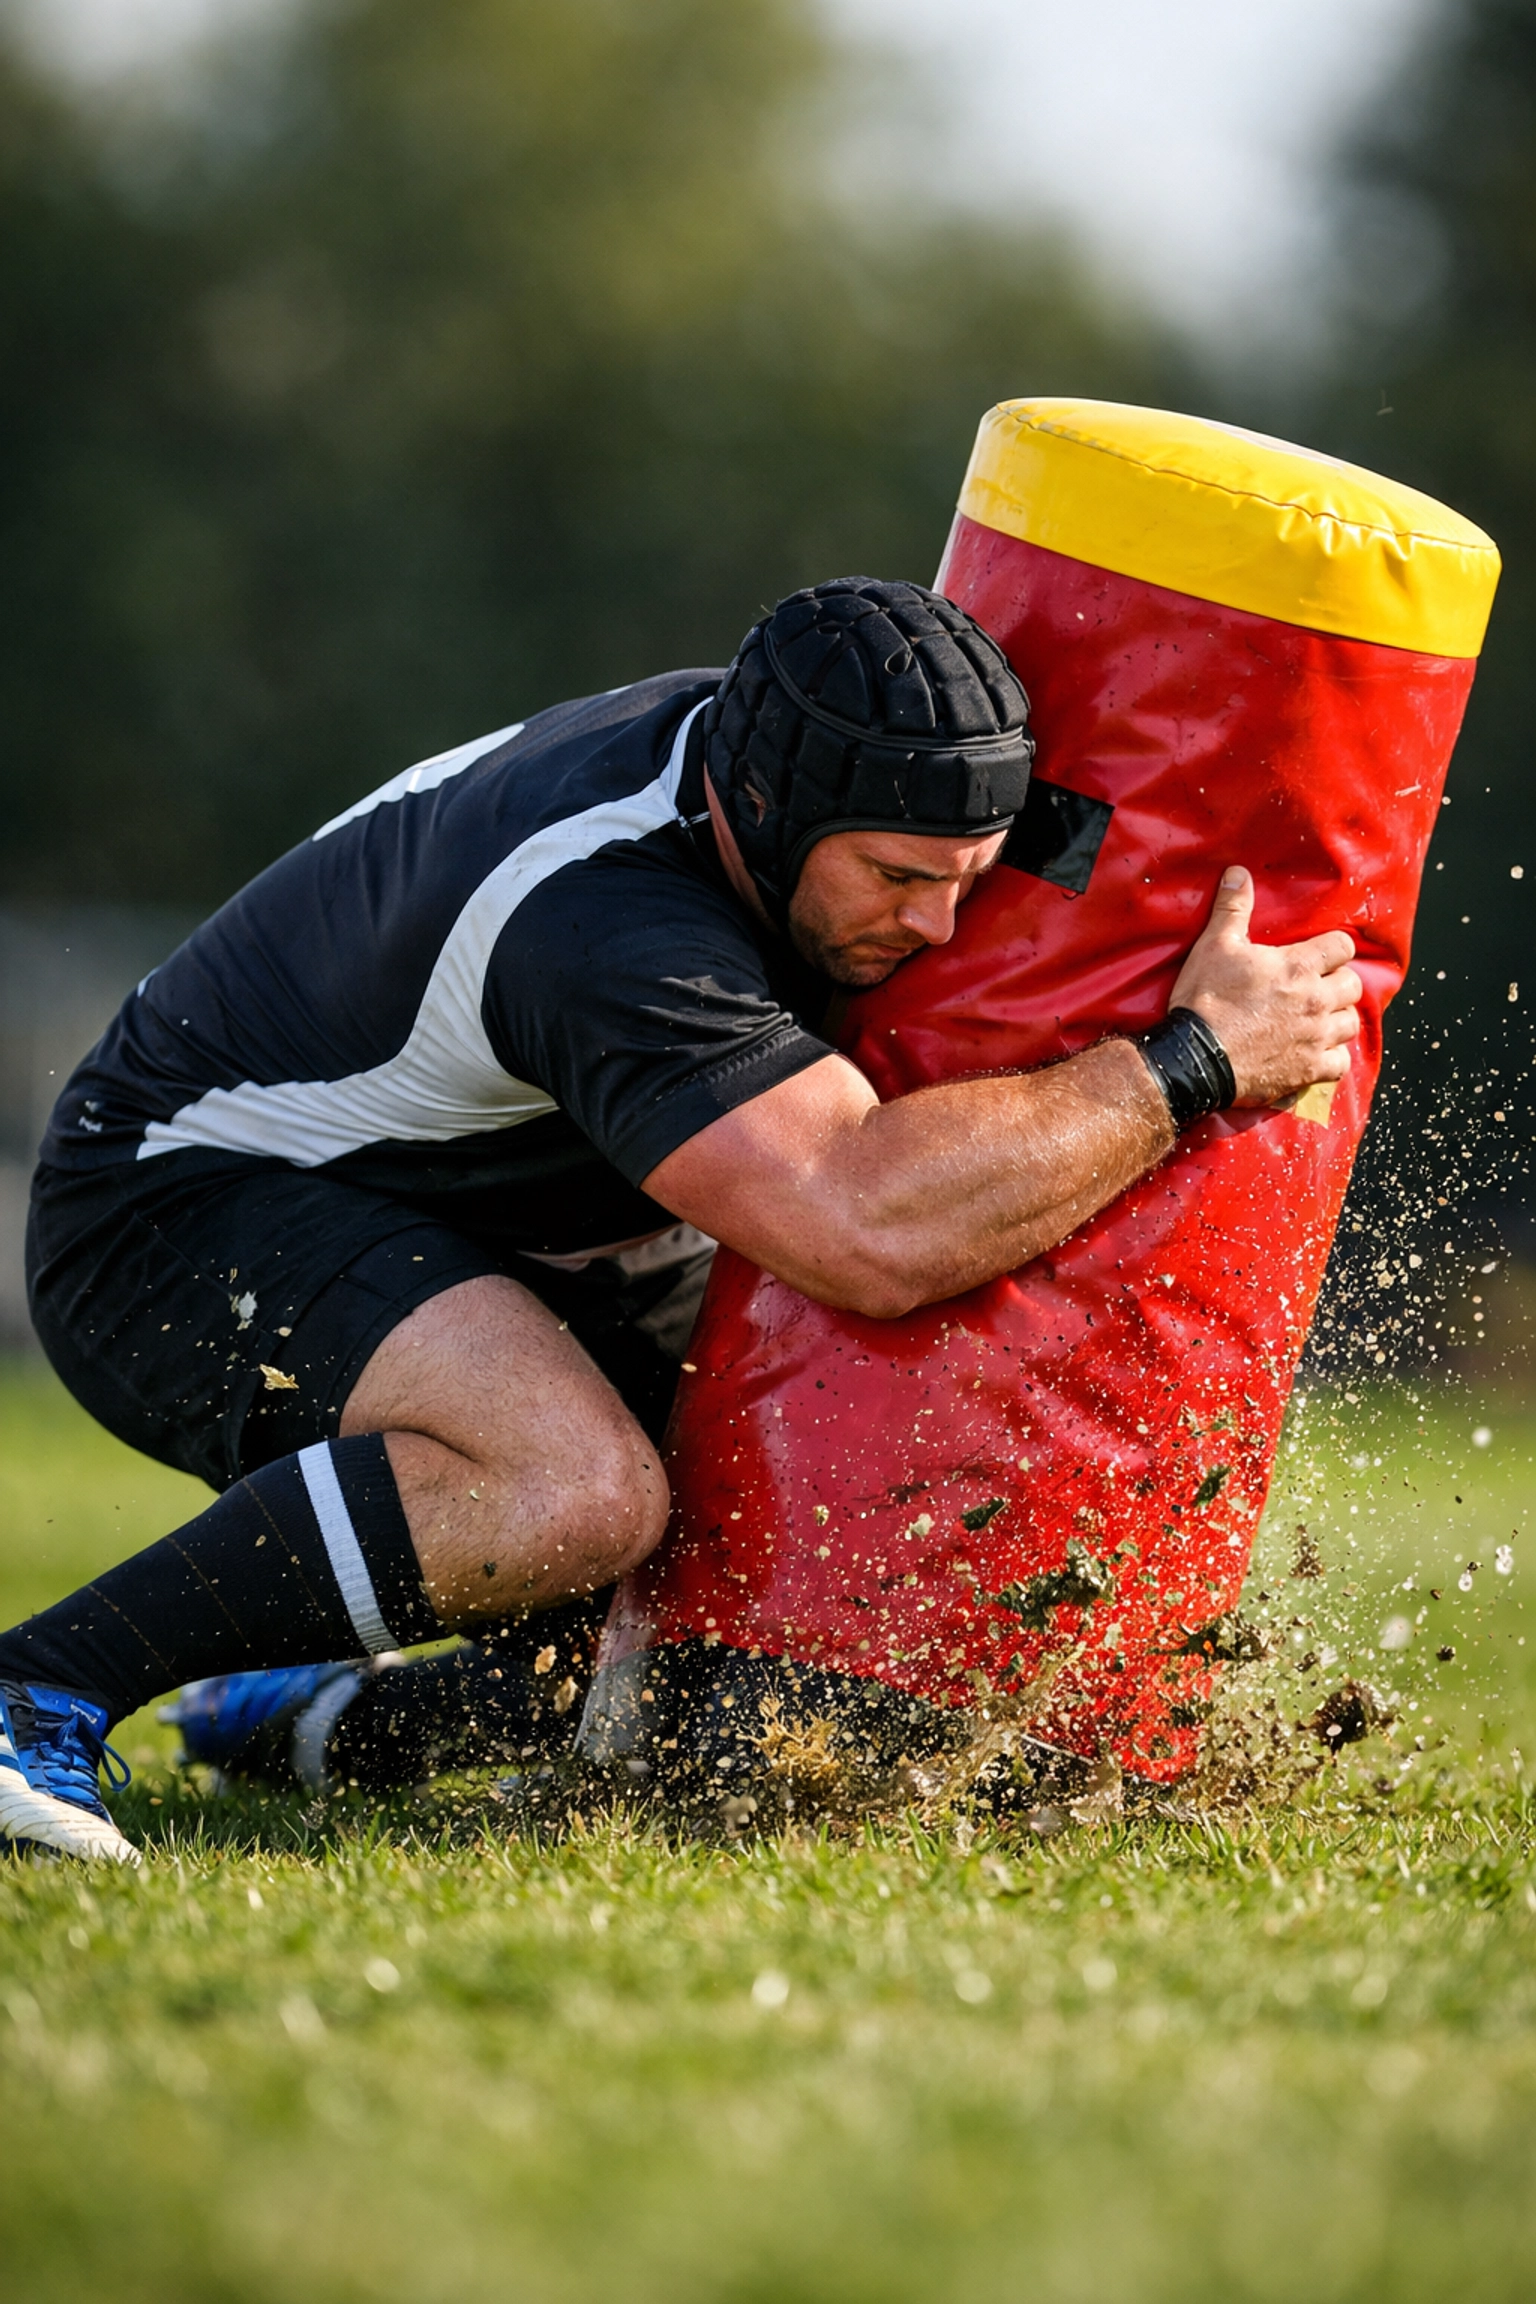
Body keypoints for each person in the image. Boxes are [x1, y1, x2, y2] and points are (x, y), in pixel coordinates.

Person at [0, 578, 1362, 1862]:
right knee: (573, 1493)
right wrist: (1191, 1062)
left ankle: (312, 1721)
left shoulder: (819, 768)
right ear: (762, 807)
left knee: (764, 1578)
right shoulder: (610, 926)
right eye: (896, 878)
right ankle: (34, 1688)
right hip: (167, 1213)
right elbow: (864, 1229)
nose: (942, 925)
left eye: (972, 874)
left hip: (457, 1215)